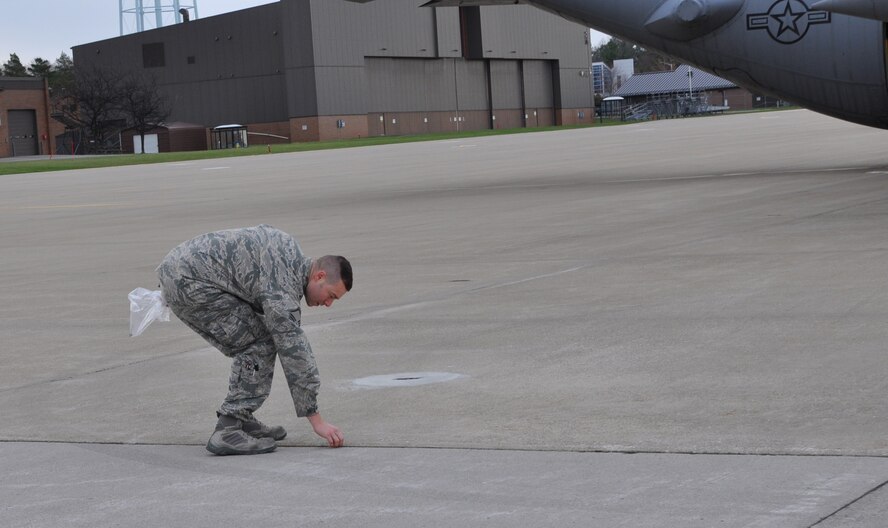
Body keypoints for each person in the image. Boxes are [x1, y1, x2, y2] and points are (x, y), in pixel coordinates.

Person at [156, 225, 352, 455]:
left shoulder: (289, 251)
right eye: (330, 295)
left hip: (181, 271)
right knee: (260, 343)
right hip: (189, 282)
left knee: (257, 337)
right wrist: (316, 420)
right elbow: (295, 353)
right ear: (319, 276)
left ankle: (242, 419)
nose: (328, 304)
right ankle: (229, 427)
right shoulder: (283, 288)